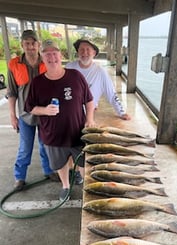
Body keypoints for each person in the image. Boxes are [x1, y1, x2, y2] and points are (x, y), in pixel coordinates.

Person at [25, 39, 95, 201]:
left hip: (78, 132)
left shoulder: (75, 76)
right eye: (47, 54)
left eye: (54, 53)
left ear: (60, 54)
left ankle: (86, 186)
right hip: (52, 135)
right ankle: (65, 186)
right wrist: (44, 110)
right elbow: (30, 107)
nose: (52, 57)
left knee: (85, 162)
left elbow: (89, 101)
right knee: (60, 164)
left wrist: (89, 119)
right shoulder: (37, 82)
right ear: (42, 57)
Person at [7, 30, 58, 190]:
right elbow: (12, 92)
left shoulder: (47, 61)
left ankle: (48, 171)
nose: (31, 47)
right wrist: (12, 115)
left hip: (44, 114)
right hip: (25, 115)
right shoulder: (14, 64)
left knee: (45, 145)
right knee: (25, 147)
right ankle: (20, 177)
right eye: (27, 43)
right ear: (22, 45)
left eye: (33, 43)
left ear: (39, 45)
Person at [65, 39, 131, 120]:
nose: (84, 52)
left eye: (88, 49)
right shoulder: (69, 67)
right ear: (77, 52)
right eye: (81, 49)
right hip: (70, 110)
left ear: (94, 53)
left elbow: (112, 94)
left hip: (89, 112)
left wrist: (122, 112)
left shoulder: (100, 71)